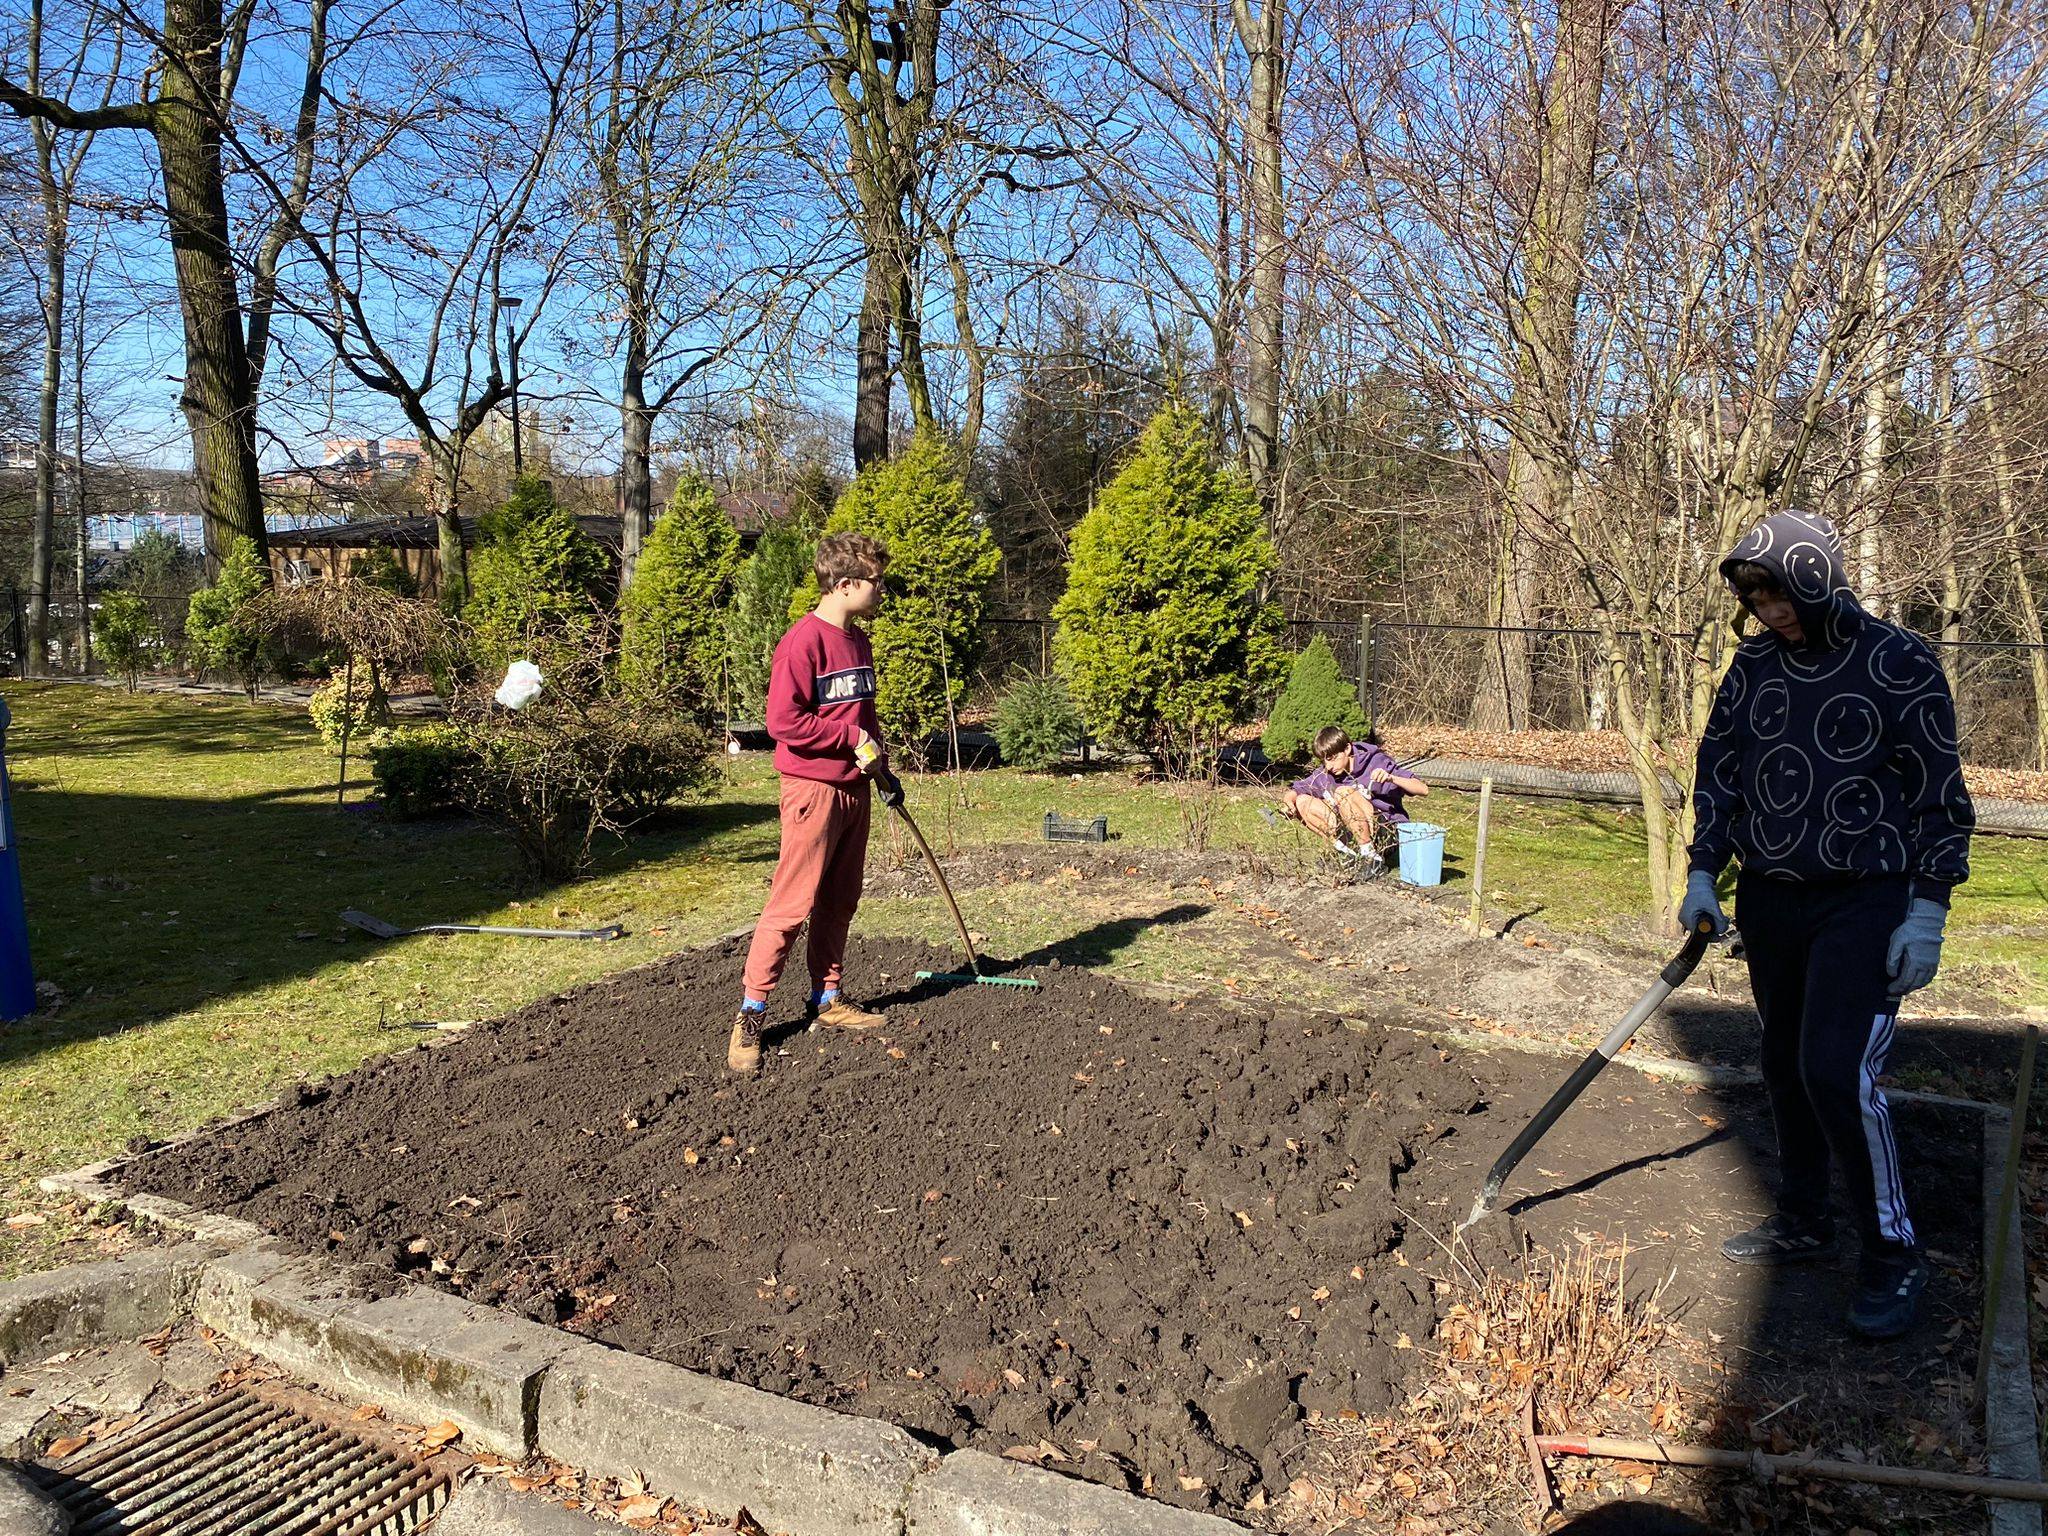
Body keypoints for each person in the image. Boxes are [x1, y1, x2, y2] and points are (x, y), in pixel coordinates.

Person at [1683, 508, 1974, 1339]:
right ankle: (1805, 1219)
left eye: (1780, 594)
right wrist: (1703, 869)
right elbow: (1720, 768)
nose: (1770, 611)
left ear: (1817, 580)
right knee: (1784, 1063)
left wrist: (1928, 910)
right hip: (1772, 897)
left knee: (1838, 1071)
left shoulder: (1898, 661)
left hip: (1866, 898)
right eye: (1755, 598)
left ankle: (1893, 1252)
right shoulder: (1753, 666)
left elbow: (1940, 795)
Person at [729, 531, 905, 1076]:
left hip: (855, 789)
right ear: (846, 584)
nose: (882, 590)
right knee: (791, 905)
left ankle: (826, 998)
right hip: (812, 791)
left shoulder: (859, 643)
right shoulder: (802, 643)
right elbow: (783, 722)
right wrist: (849, 739)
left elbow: (863, 720)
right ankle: (751, 1015)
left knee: (840, 898)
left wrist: (881, 770)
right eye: (877, 581)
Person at [1277, 725, 1428, 862]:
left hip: (1387, 831)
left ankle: (1370, 858)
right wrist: (1289, 803)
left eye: (1332, 759)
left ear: (1347, 749)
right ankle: (1347, 854)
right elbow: (1297, 789)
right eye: (1324, 761)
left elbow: (1423, 789)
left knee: (1343, 792)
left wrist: (1391, 778)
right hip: (1353, 832)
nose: (1328, 766)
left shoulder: (1375, 762)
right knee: (1302, 801)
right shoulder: (1326, 774)